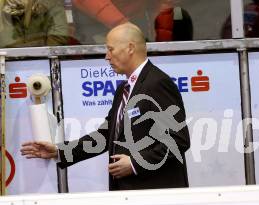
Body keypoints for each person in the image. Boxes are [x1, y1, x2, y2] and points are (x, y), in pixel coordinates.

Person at [21, 22, 191, 190]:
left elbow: (178, 140)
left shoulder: (158, 83)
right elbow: (105, 135)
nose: (107, 57)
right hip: (129, 195)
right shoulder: (123, 90)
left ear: (130, 48)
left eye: (111, 49)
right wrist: (60, 151)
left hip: (155, 195)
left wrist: (134, 163)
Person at [0, 0, 69, 48]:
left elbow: (57, 42)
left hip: (43, 65)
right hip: (5, 66)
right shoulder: (2, 8)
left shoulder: (52, 4)